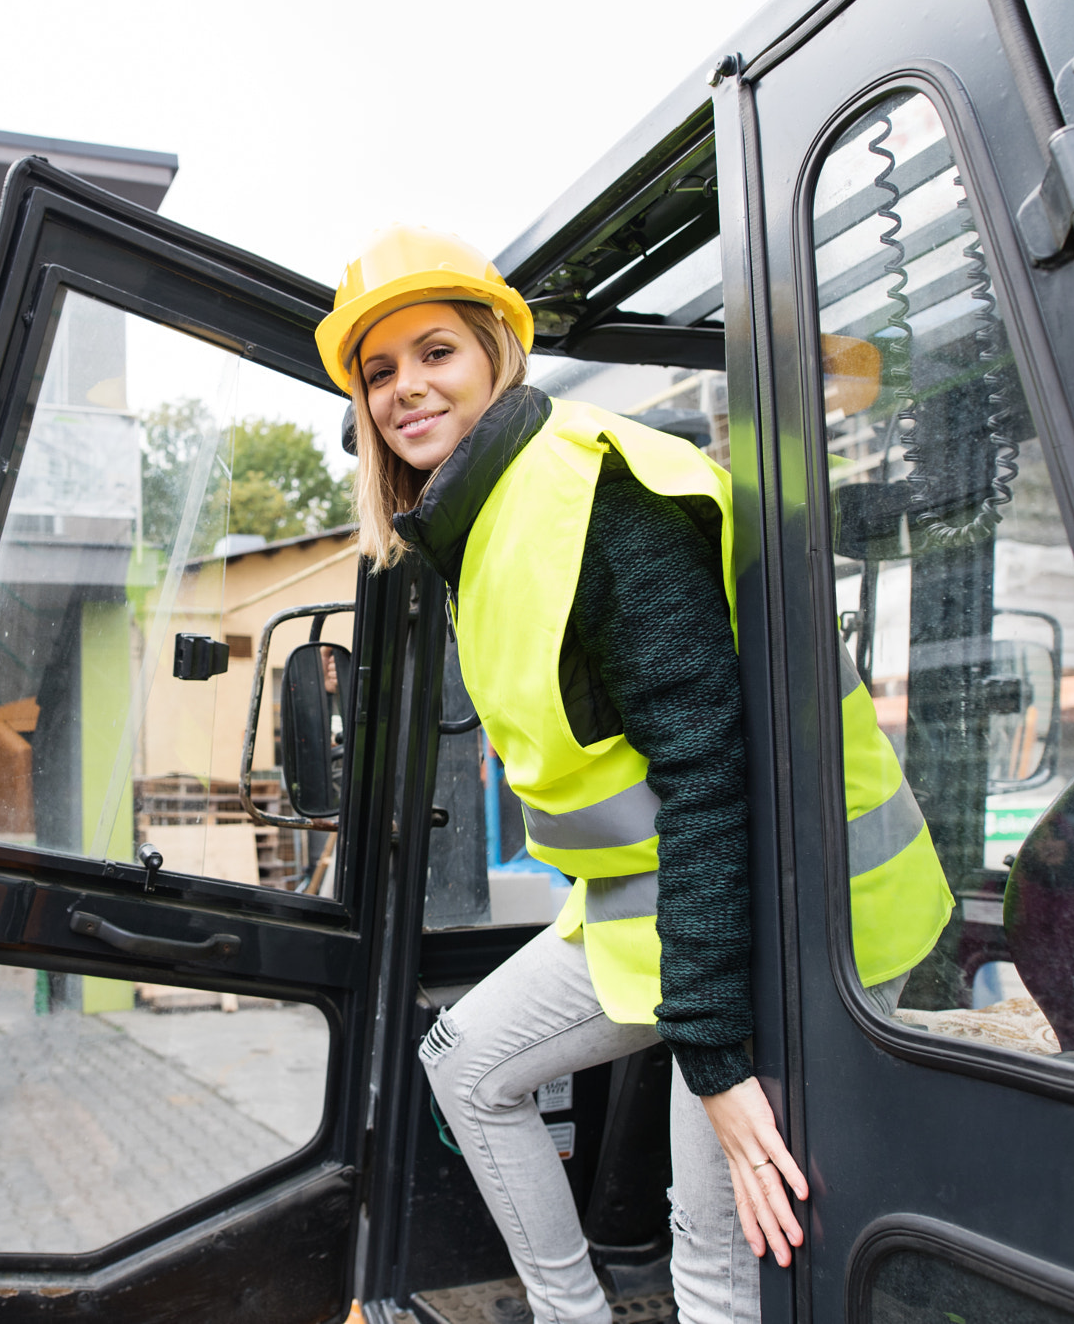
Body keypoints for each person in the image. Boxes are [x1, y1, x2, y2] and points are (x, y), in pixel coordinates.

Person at [313, 227, 951, 1324]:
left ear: (494, 359)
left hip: (800, 912)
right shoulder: (484, 519)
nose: (405, 388)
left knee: (718, 1251)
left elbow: (713, 776)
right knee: (463, 1064)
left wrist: (710, 1049)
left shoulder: (587, 497)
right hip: (662, 905)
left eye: (434, 354)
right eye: (379, 372)